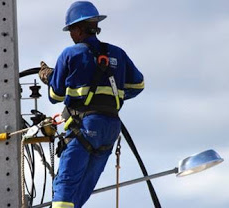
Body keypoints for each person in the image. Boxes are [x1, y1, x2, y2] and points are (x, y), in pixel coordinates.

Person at [39, 1, 144, 208]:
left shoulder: (70, 54)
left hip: (83, 128)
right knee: (81, 191)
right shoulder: (118, 54)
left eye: (71, 30)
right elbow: (138, 85)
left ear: (78, 29)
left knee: (65, 187)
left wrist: (49, 76)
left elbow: (55, 95)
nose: (70, 34)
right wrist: (109, 98)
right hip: (110, 129)